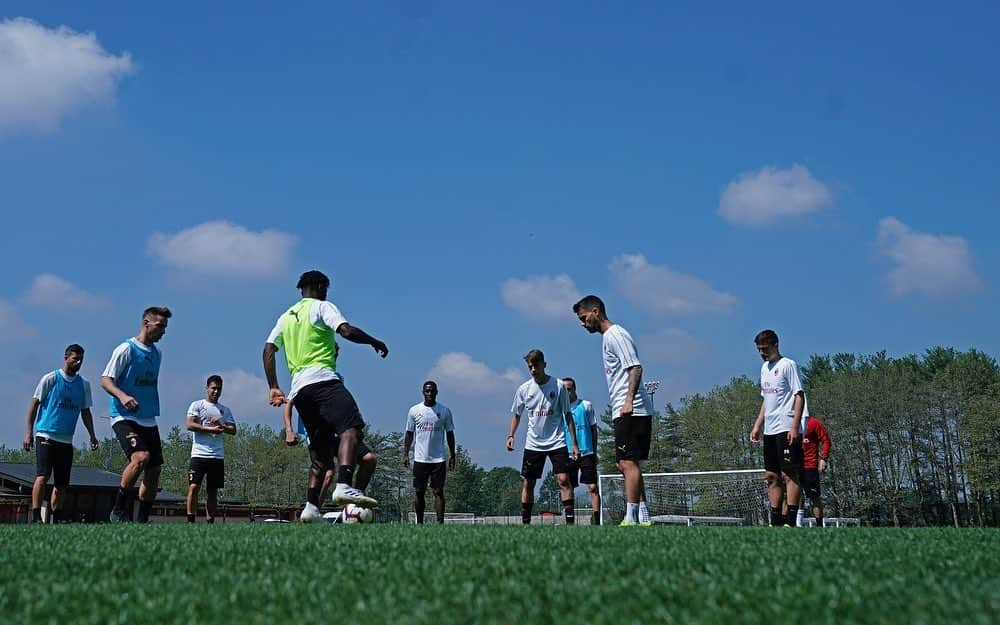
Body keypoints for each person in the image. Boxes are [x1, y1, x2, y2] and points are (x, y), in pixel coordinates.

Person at [264, 270, 388, 517]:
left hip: (300, 391)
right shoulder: (322, 308)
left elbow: (268, 349)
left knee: (320, 458)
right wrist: (375, 341)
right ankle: (343, 485)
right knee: (350, 428)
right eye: (326, 289)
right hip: (323, 381)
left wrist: (274, 386)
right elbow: (345, 331)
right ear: (321, 287)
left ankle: (310, 509)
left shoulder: (286, 317)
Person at [573, 295, 654, 526]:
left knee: (628, 463)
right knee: (625, 464)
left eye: (583, 317)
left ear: (595, 311)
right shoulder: (607, 338)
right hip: (625, 408)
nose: (582, 323)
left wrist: (628, 401)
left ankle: (631, 517)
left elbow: (635, 367)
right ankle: (644, 515)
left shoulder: (615, 335)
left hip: (632, 409)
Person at [102, 306, 171, 523]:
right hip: (124, 416)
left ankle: (141, 520)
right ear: (146, 323)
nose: (163, 331)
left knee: (154, 471)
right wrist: (123, 396)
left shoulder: (157, 353)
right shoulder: (126, 349)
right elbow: (106, 379)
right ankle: (118, 510)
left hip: (148, 418)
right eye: (160, 326)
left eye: (165, 327)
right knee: (141, 457)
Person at [23, 344, 100, 523]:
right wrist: (29, 432)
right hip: (46, 436)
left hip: (66, 440)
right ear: (66, 358)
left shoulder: (84, 385)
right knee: (42, 476)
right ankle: (36, 518)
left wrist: (92, 435)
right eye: (75, 359)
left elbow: (85, 411)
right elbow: (34, 405)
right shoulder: (50, 379)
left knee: (62, 485)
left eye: (81, 359)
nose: (78, 362)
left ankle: (56, 519)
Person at [506, 350, 580, 525]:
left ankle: (570, 524)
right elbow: (517, 414)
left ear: (544, 365)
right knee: (528, 483)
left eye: (536, 365)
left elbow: (567, 414)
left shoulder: (559, 385)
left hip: (557, 441)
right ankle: (526, 523)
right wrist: (511, 435)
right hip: (534, 443)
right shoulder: (524, 389)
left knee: (563, 480)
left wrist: (574, 444)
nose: (533, 370)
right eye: (530, 366)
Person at [282, 399, 379, 522]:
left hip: (341, 429)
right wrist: (289, 430)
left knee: (369, 459)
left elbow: (343, 399)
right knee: (328, 473)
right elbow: (289, 403)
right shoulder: (303, 380)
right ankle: (313, 511)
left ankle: (355, 501)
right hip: (317, 432)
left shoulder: (337, 379)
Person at [749, 329, 805, 527]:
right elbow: (766, 399)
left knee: (789, 474)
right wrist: (757, 425)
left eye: (764, 349)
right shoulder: (764, 368)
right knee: (771, 476)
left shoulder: (788, 365)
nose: (762, 353)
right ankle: (775, 521)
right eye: (759, 350)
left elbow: (799, 396)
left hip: (786, 427)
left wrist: (795, 426)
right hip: (770, 430)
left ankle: (791, 520)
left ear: (775, 345)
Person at [185, 375, 237, 523]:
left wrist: (221, 425)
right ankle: (190, 521)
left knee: (212, 491)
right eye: (213, 388)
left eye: (219, 389)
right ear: (207, 388)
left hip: (217, 456)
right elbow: (189, 424)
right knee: (194, 487)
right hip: (199, 455)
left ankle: (210, 522)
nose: (216, 391)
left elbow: (233, 430)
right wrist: (209, 429)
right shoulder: (197, 405)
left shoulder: (224, 410)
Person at [403, 381, 456, 524]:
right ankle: (419, 523)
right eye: (427, 391)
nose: (429, 394)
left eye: (432, 391)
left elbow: (450, 434)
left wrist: (453, 455)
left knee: (438, 491)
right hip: (420, 459)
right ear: (423, 392)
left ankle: (440, 523)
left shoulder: (444, 411)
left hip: (438, 459)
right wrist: (406, 454)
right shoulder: (414, 411)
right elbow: (409, 433)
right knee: (419, 492)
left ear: (436, 392)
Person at [562, 377, 601, 525]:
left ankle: (596, 520)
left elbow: (593, 429)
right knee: (568, 486)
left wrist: (595, 451)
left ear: (575, 389)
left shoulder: (586, 406)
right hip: (568, 453)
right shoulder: (560, 409)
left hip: (587, 452)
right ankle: (570, 522)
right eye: (564, 390)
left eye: (569, 389)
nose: (567, 392)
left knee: (592, 487)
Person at [799, 415, 831, 527]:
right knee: (791, 496)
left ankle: (819, 526)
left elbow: (826, 440)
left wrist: (823, 458)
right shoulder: (788, 422)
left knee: (814, 497)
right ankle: (795, 524)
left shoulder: (814, 422)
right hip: (793, 466)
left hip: (810, 466)